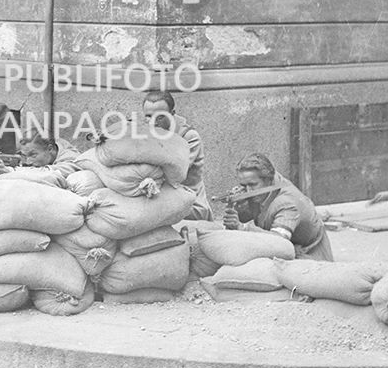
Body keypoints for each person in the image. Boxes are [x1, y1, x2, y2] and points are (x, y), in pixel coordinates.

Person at [223, 152, 334, 261]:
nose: (248, 191)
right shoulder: (263, 184)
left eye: (252, 185)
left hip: (308, 255)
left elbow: (278, 242)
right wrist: (239, 207)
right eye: (243, 185)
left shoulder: (287, 204)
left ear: (269, 180)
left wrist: (243, 228)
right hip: (286, 245)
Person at [141, 90, 213, 221]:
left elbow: (173, 174)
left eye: (160, 117)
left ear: (172, 114)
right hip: (160, 198)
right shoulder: (146, 133)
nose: (153, 122)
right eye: (148, 116)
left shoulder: (189, 137)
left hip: (192, 206)